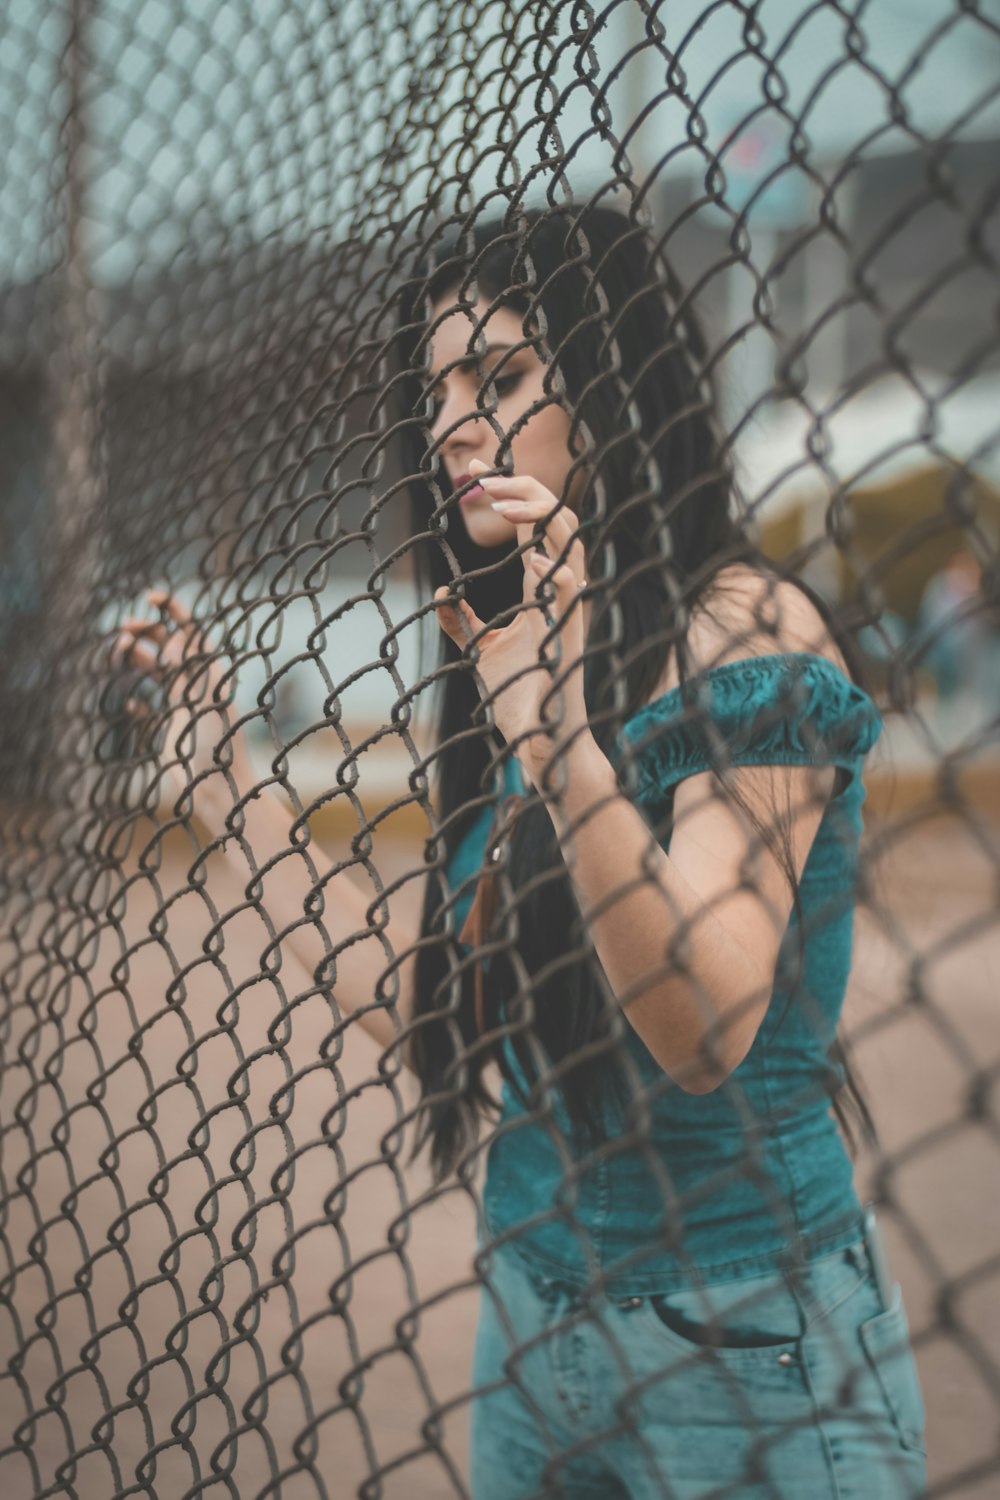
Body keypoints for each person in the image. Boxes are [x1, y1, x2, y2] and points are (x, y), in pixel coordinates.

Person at [112, 202, 926, 1499]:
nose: (449, 427)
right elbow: (440, 995)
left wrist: (558, 739)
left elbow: (707, 1022)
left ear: (607, 392)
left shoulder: (739, 629)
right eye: (434, 394)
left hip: (739, 1336)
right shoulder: (521, 648)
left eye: (498, 378)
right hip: (534, 1314)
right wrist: (224, 782)